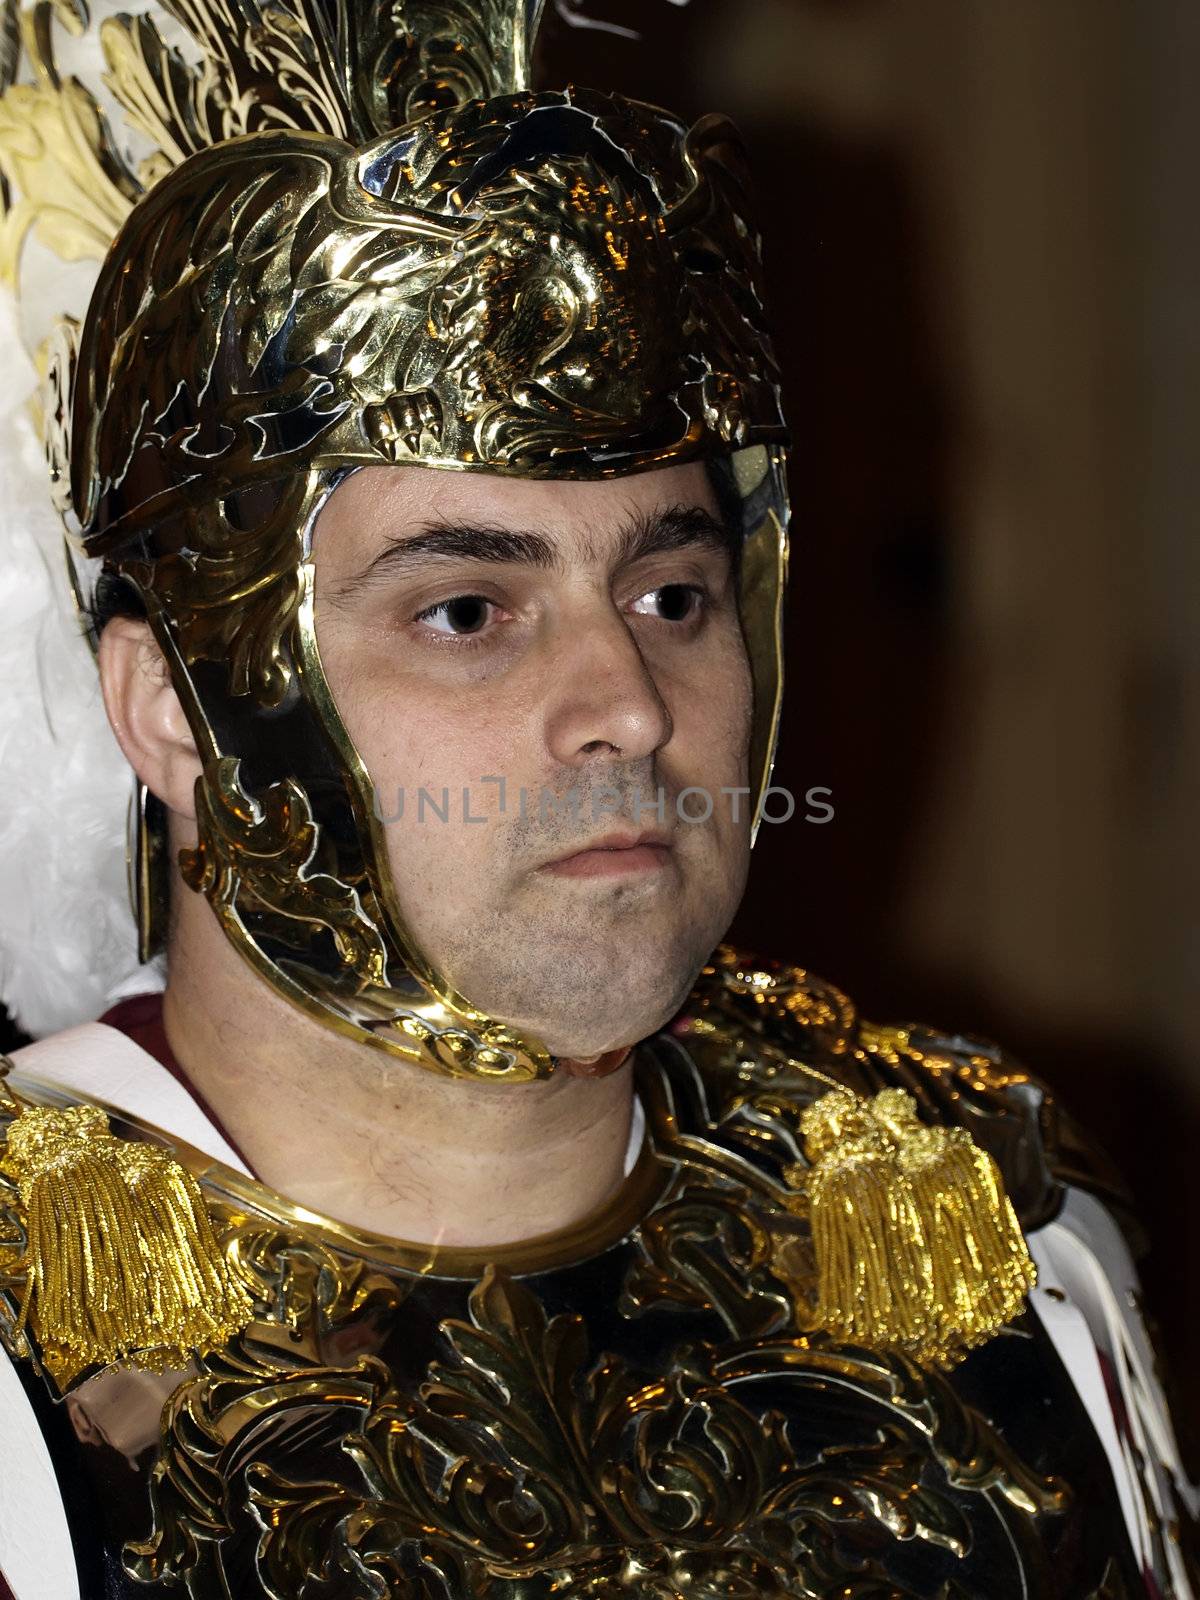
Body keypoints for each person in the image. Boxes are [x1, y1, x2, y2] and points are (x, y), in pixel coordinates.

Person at [0, 3, 1194, 1597]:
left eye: (674, 593)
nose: (628, 703)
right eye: (469, 613)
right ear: (173, 713)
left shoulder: (997, 1235)